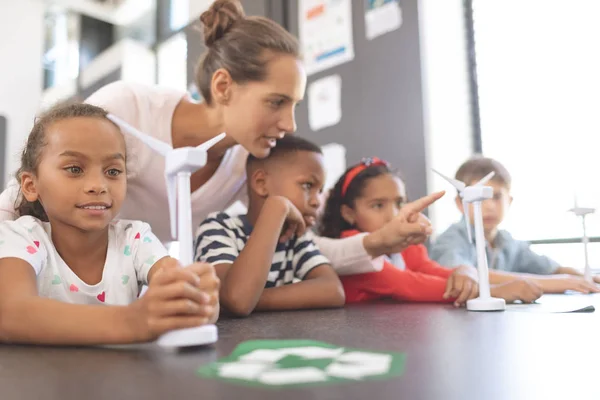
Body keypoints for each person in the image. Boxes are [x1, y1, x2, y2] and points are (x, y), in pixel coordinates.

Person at [0, 0, 441, 276]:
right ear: (225, 87)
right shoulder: (125, 109)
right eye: (276, 102)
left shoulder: (244, 164)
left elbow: (295, 243)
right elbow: (18, 198)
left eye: (295, 106)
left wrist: (376, 242)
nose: (289, 123)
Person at [0, 103, 219, 345]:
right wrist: (133, 321)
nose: (98, 185)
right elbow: (9, 312)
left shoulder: (135, 238)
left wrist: (196, 296)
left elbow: (177, 289)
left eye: (113, 171)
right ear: (31, 185)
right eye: (75, 169)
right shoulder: (20, 238)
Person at [319, 158, 543, 306]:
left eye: (399, 203)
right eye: (378, 205)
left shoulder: (404, 245)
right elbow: (406, 284)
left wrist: (466, 271)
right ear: (349, 213)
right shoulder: (353, 246)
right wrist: (496, 291)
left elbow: (429, 269)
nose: (393, 215)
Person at [194, 135, 345, 316]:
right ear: (261, 183)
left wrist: (253, 298)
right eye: (307, 185)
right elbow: (237, 299)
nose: (317, 201)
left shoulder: (295, 237)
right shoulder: (218, 228)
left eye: (320, 191)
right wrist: (276, 208)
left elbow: (333, 290)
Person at [429, 156, 600, 294]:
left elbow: (550, 268)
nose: (488, 206)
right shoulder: (450, 240)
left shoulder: (506, 241)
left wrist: (582, 277)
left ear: (509, 201)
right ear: (460, 203)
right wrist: (552, 283)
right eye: (479, 198)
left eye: (496, 197)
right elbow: (465, 275)